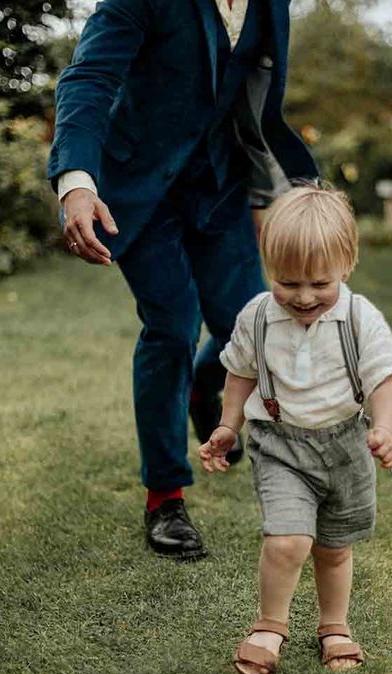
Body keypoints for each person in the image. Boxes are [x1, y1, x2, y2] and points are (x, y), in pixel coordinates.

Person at [48, 0, 318, 559]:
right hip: (139, 191)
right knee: (172, 327)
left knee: (246, 327)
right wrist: (76, 181)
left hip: (220, 183)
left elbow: (256, 87)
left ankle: (203, 386)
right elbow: (90, 77)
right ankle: (165, 496)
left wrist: (287, 179)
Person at [199, 186, 392, 674]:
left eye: (320, 282)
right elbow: (241, 373)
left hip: (345, 447)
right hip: (281, 447)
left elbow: (385, 378)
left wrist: (385, 427)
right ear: (269, 266)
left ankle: (334, 626)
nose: (304, 296)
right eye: (287, 281)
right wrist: (230, 424)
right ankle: (270, 627)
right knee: (288, 540)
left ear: (347, 265)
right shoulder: (257, 315)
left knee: (334, 548)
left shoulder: (359, 318)